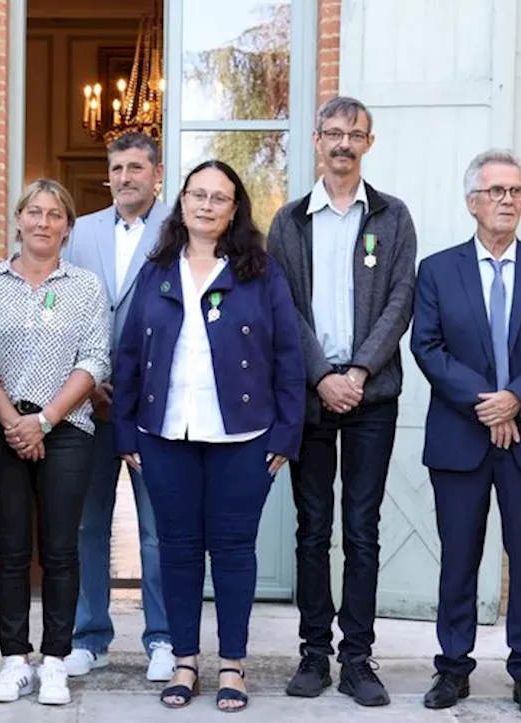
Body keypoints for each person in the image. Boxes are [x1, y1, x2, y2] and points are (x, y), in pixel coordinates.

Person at [114, 160, 304, 712]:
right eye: (197, 194)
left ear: (235, 208)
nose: (206, 205)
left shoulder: (260, 272)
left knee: (233, 551)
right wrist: (125, 431)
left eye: (219, 197)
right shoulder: (157, 270)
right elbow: (128, 357)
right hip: (165, 433)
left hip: (244, 439)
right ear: (182, 202)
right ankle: (183, 661)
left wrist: (286, 435)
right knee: (175, 550)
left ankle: (233, 665)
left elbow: (288, 357)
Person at [412, 150, 521, 721]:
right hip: (461, 438)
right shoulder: (437, 270)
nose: (508, 201)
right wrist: (489, 404)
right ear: (472, 203)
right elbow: (427, 347)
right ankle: (453, 669)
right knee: (458, 556)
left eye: (516, 192)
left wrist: (518, 400)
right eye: (497, 192)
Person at [265, 96, 417, 707]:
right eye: (333, 133)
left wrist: (356, 370)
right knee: (311, 530)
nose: (344, 144)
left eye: (355, 134)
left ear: (369, 144)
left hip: (372, 397)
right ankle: (313, 654)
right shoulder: (289, 221)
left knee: (362, 528)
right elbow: (284, 308)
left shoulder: (392, 216)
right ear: (316, 140)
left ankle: (357, 658)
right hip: (310, 397)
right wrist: (323, 375)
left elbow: (401, 298)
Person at [0, 179, 111, 706]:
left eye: (54, 214)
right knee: (11, 550)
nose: (42, 222)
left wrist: (45, 421)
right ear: (17, 219)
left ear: (68, 226)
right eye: (33, 212)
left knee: (61, 549)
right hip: (0, 427)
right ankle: (14, 660)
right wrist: (15, 420)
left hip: (67, 431)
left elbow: (95, 359)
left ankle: (55, 660)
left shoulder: (85, 286)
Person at [62, 131, 174, 682]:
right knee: (87, 525)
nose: (125, 177)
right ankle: (89, 636)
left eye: (135, 167)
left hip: (155, 406)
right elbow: (60, 306)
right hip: (89, 402)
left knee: (158, 530)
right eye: (117, 168)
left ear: (157, 172)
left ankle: (163, 638)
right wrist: (86, 383)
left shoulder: (180, 230)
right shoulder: (79, 231)